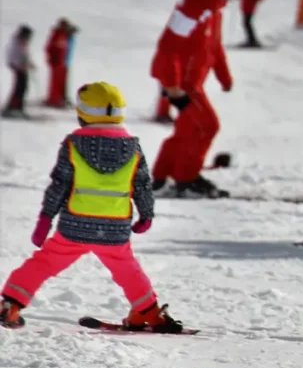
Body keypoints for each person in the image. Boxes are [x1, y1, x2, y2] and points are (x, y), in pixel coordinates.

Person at [0, 82, 183, 333]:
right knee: (128, 270)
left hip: (75, 224)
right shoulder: (132, 147)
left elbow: (60, 185)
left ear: (83, 112)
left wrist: (45, 218)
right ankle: (148, 312)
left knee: (42, 264)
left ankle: (11, 304)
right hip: (114, 227)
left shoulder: (74, 144)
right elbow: (142, 185)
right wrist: (146, 214)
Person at [149, 0, 244, 198]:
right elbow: (168, 47)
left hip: (191, 82)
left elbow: (214, 46)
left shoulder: (214, 9)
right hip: (182, 84)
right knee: (207, 126)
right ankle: (186, 179)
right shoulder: (193, 8)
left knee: (186, 130)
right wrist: (172, 86)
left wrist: (224, 76)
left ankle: (162, 175)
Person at [2, 25, 35, 119]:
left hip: (23, 68)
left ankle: (19, 107)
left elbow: (26, 55)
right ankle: (12, 107)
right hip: (18, 68)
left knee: (23, 87)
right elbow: (13, 56)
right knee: (19, 88)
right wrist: (20, 65)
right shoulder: (15, 43)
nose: (29, 38)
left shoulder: (23, 42)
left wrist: (30, 63)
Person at [44, 19, 77, 108]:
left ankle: (60, 98)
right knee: (56, 82)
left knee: (61, 82)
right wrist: (52, 59)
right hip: (57, 62)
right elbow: (50, 48)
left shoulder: (64, 36)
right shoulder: (57, 35)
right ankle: (54, 99)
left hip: (62, 62)